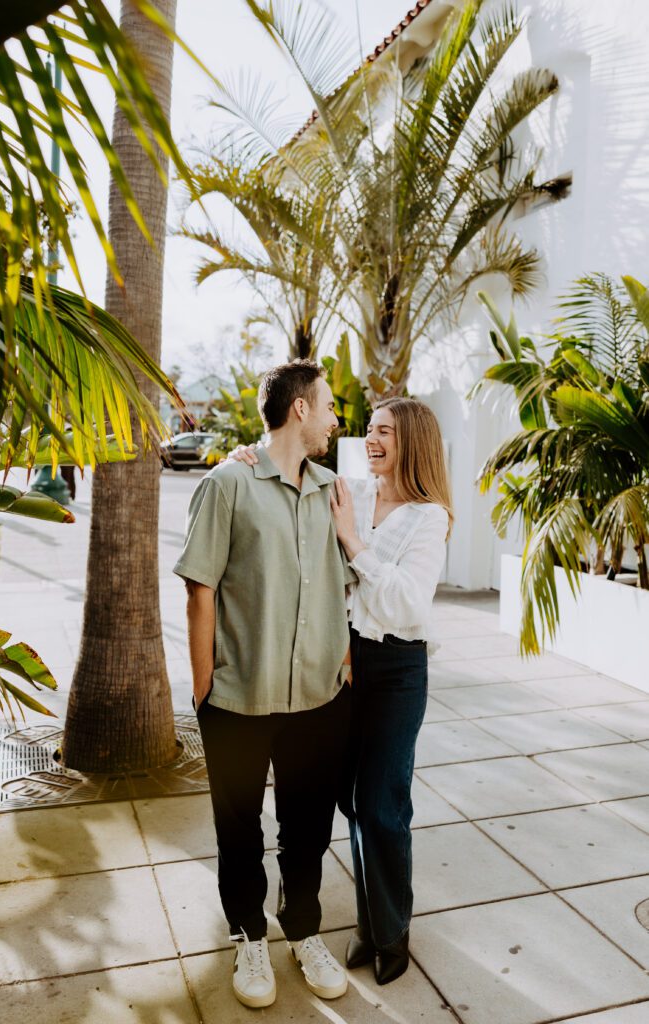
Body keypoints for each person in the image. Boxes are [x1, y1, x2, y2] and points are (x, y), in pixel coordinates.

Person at [229, 396, 452, 986]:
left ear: (413, 443)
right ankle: (369, 918)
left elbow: (405, 601)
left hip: (398, 670)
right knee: (349, 801)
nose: (371, 439)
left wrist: (354, 542)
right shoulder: (346, 485)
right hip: (345, 660)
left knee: (383, 805)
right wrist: (245, 454)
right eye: (370, 429)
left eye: (386, 432)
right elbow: (284, 465)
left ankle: (391, 929)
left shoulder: (429, 516)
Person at [173, 360, 353, 1010]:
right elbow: (200, 590)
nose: (336, 419)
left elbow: (346, 580)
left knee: (308, 830)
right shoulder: (228, 484)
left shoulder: (334, 488)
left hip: (318, 700)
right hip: (237, 701)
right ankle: (247, 933)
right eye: (329, 406)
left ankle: (302, 930)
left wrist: (345, 666)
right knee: (238, 831)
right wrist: (202, 691)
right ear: (299, 409)